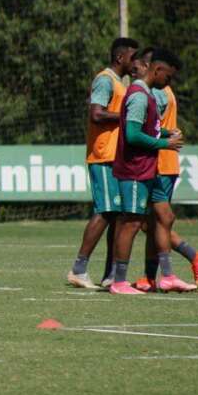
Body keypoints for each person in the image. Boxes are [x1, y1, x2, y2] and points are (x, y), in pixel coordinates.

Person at [107, 49, 185, 295]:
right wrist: (165, 143)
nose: (168, 82)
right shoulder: (140, 96)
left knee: (164, 217)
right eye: (168, 77)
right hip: (134, 169)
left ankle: (167, 276)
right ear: (157, 69)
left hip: (148, 170)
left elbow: (147, 128)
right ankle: (118, 281)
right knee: (131, 222)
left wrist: (167, 132)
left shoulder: (148, 94)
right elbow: (132, 135)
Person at [67, 38, 138, 289]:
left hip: (116, 157)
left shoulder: (120, 83)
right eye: (132, 57)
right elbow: (96, 113)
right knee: (106, 210)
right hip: (103, 155)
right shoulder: (105, 80)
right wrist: (127, 116)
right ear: (120, 57)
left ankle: (111, 274)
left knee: (117, 215)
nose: (135, 62)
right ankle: (79, 269)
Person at [130, 49, 198, 292]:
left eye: (138, 67)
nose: (135, 72)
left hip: (158, 162)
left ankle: (189, 259)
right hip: (163, 161)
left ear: (149, 66)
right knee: (153, 221)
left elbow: (144, 129)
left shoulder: (156, 93)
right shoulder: (158, 91)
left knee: (154, 220)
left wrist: (165, 136)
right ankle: (151, 277)